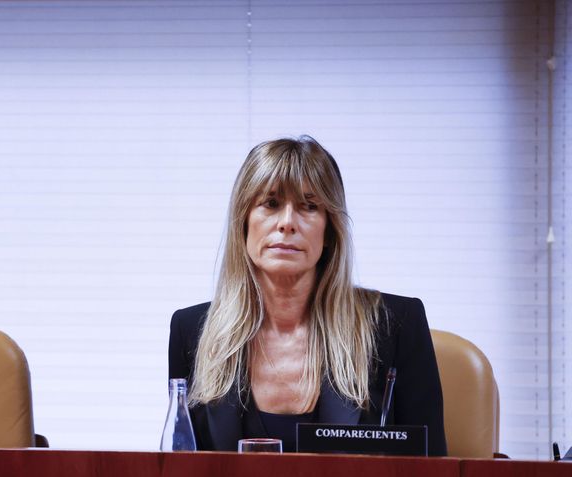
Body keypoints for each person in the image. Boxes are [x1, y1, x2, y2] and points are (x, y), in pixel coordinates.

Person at [169, 136, 447, 455]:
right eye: (270, 204)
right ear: (243, 222)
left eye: (309, 206)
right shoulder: (190, 332)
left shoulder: (397, 325)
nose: (287, 223)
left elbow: (433, 473)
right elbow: (183, 473)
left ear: (329, 230)